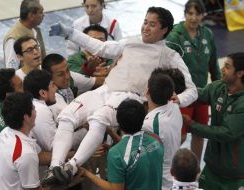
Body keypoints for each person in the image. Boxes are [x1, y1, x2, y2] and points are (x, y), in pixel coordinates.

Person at [43, 6, 197, 185]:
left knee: (98, 119)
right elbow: (101, 48)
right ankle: (55, 167)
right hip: (105, 90)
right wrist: (71, 33)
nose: (145, 27)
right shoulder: (130, 42)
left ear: (164, 30)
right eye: (145, 22)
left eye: (152, 25)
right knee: (68, 116)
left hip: (128, 96)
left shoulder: (169, 55)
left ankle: (72, 166)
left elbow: (192, 90)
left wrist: (179, 99)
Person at [166, 0, 221, 162]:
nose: (194, 18)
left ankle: (195, 168)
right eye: (190, 13)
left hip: (202, 93)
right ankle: (168, 168)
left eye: (197, 14)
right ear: (185, 14)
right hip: (181, 96)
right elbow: (165, 67)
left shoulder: (207, 34)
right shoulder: (175, 36)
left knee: (200, 133)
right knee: (179, 135)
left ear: (203, 16)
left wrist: (219, 86)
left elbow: (213, 62)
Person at [183, 52, 244, 189]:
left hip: (236, 177)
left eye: (227, 66)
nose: (222, 69)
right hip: (211, 168)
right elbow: (197, 95)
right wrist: (178, 91)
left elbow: (227, 133)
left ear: (240, 73)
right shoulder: (218, 87)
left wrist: (192, 125)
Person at [79, 99, 164, 190]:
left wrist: (86, 173)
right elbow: (135, 148)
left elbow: (115, 189)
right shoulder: (155, 139)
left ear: (118, 122)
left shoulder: (116, 154)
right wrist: (110, 133)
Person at [142, 68, 182, 190]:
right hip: (175, 177)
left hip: (160, 183)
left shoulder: (148, 125)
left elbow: (140, 158)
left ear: (147, 91)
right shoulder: (174, 106)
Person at [0, 92, 41, 190]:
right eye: (33, 108)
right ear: (26, 117)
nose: (36, 111)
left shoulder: (5, 132)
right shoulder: (26, 154)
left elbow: (40, 155)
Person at [0, 69, 23, 189]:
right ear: (10, 95)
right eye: (21, 86)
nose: (25, 88)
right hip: (1, 176)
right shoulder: (15, 120)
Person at [42, 53, 100, 119]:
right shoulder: (53, 97)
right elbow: (72, 119)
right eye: (60, 74)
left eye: (67, 70)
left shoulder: (69, 76)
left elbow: (99, 82)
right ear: (49, 78)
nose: (67, 76)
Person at [3, 0, 45, 69]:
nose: (43, 15)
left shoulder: (35, 30)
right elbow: (11, 70)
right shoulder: (13, 38)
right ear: (31, 15)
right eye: (40, 12)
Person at [23, 70, 57, 151]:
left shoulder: (34, 105)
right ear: (43, 93)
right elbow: (52, 145)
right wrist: (82, 132)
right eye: (52, 85)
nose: (56, 88)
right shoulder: (40, 110)